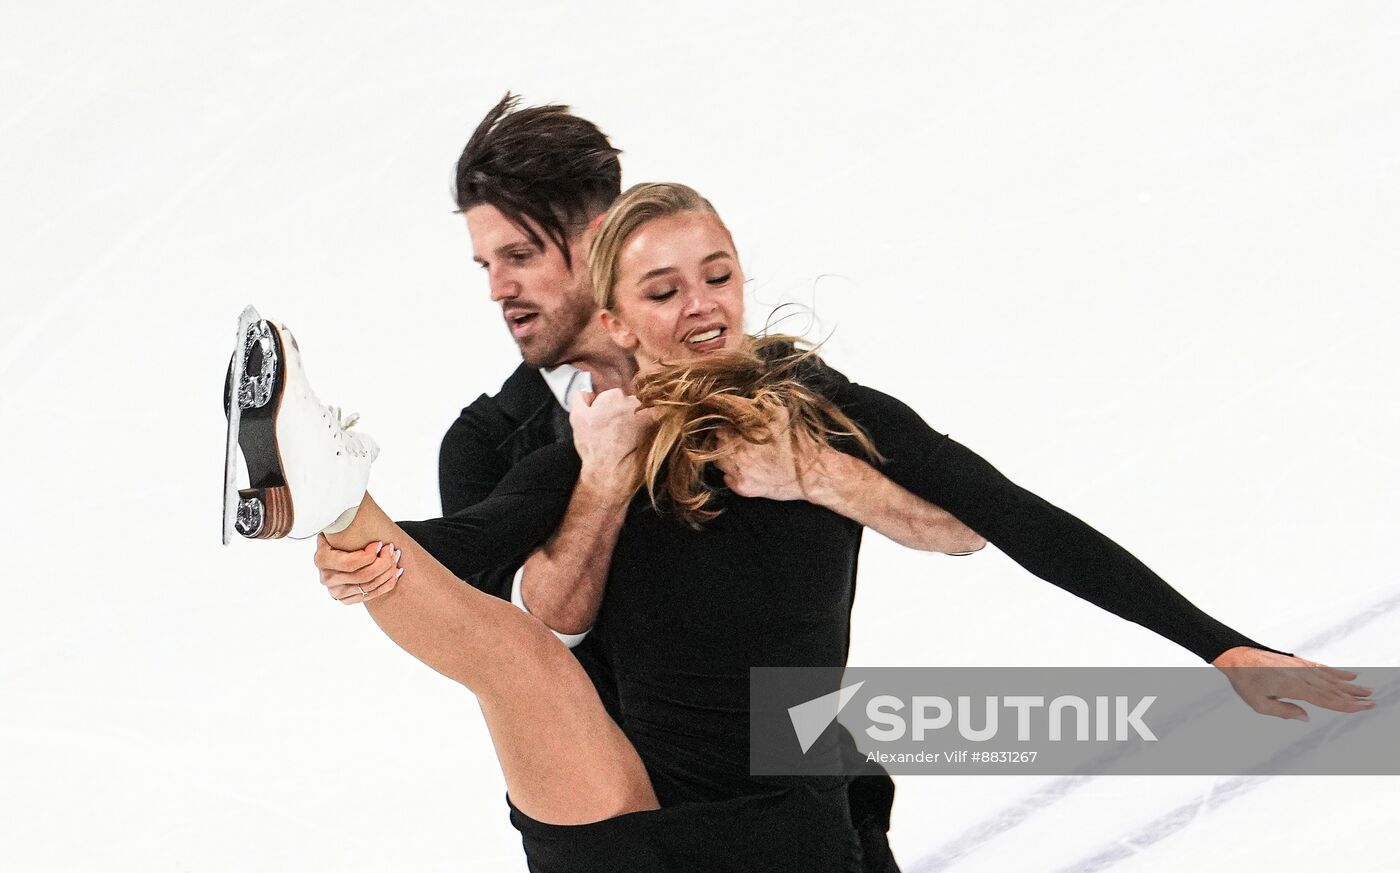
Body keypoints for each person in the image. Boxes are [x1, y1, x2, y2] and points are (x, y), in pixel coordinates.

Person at [224, 182, 1373, 872]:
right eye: (664, 290)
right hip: (625, 800)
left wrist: (1213, 643)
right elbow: (472, 551)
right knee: (512, 657)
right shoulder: (604, 433)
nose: (702, 304)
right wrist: (381, 549)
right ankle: (317, 487)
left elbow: (1005, 516)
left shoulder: (816, 406)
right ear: (615, 317)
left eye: (715, 274)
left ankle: (310, 494)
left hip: (783, 822)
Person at [314, 94, 964, 871]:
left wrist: (818, 475)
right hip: (630, 830)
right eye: (486, 264)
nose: (496, 288)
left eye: (518, 255)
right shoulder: (490, 443)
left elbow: (950, 517)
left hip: (804, 810)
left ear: (599, 245)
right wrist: (600, 485)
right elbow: (530, 643)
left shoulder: (761, 384)